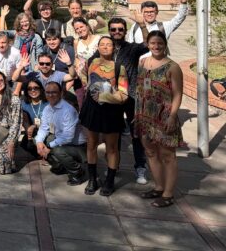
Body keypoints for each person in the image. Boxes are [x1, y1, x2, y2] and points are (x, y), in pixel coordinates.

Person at [134, 31, 184, 208]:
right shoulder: (143, 62)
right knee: (151, 152)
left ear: (165, 44)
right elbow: (141, 89)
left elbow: (178, 94)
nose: (156, 47)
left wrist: (172, 116)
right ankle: (158, 187)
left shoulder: (173, 67)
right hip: (145, 115)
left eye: (160, 44)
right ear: (148, 44)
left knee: (167, 155)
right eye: (153, 43)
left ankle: (168, 194)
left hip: (164, 116)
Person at [79, 36, 129, 196]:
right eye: (102, 45)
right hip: (92, 109)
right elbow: (84, 80)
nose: (106, 47)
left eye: (109, 45)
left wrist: (105, 97)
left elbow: (124, 94)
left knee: (112, 147)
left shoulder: (119, 68)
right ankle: (92, 179)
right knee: (91, 144)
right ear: (98, 47)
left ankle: (110, 180)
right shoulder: (91, 63)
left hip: (111, 111)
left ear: (113, 48)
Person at [105, 17, 151, 185]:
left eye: (120, 29)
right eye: (113, 29)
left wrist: (142, 24)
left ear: (125, 31)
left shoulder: (131, 48)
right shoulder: (105, 48)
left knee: (136, 133)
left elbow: (148, 44)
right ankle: (113, 165)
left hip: (131, 96)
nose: (116, 32)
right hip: (111, 97)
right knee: (113, 134)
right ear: (109, 30)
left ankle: (140, 167)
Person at [35, 81, 88, 185]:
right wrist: (39, 142)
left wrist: (49, 146)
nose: (50, 95)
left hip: (78, 147)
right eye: (48, 92)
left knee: (57, 149)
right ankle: (60, 166)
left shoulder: (68, 110)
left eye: (54, 92)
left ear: (61, 93)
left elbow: (67, 137)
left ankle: (77, 172)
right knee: (38, 139)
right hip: (63, 142)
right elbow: (43, 128)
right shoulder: (47, 109)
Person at [20, 79, 46, 158]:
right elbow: (24, 119)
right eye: (29, 89)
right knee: (25, 144)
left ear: (41, 89)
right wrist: (28, 129)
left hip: (47, 131)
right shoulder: (24, 103)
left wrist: (35, 125)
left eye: (36, 88)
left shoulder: (47, 102)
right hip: (33, 132)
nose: (33, 90)